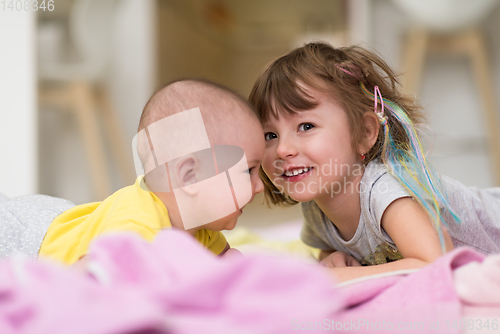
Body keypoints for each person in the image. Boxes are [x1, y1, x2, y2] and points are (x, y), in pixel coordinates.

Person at [249, 42, 500, 283]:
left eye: (306, 126)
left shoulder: (386, 191)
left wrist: (344, 277)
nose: (282, 149)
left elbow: (433, 263)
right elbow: (330, 250)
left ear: (365, 133)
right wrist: (332, 259)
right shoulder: (317, 206)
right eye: (270, 135)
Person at [1, 79, 265, 265]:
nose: (260, 186)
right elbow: (89, 283)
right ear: (190, 176)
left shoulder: (200, 225)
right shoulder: (134, 230)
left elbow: (225, 262)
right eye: (249, 171)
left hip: (71, 219)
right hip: (28, 238)